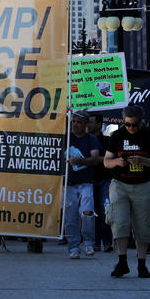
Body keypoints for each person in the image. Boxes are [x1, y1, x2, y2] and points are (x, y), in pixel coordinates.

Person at [103, 105, 150, 278]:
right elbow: (106, 161)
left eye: (134, 125)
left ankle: (142, 264)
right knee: (119, 222)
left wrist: (142, 160)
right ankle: (122, 262)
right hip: (120, 184)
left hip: (143, 184)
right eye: (127, 124)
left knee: (143, 225)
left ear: (141, 121)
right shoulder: (117, 135)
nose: (131, 128)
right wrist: (117, 162)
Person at [64, 111, 101, 259]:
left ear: (86, 124)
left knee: (87, 213)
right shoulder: (66, 137)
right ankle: (73, 247)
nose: (75, 124)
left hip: (86, 183)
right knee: (70, 217)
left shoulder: (91, 139)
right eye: (73, 121)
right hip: (68, 184)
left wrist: (79, 161)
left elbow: (95, 159)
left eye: (79, 122)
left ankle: (88, 243)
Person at [88, 113, 114, 252]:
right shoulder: (86, 139)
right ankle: (96, 243)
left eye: (92, 122)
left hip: (104, 180)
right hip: (89, 180)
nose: (89, 125)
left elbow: (110, 158)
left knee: (105, 211)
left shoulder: (106, 140)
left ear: (99, 124)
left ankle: (108, 242)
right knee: (93, 212)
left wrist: (94, 159)